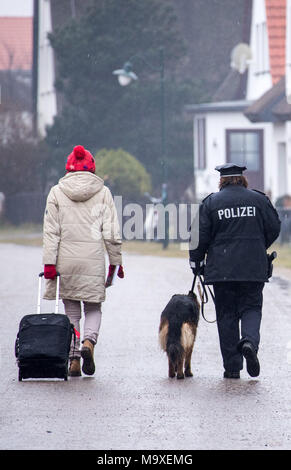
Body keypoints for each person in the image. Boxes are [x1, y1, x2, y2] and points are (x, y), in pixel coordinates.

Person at [189, 163, 281, 379]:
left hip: (222, 271)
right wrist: (259, 245)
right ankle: (249, 341)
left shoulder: (211, 203)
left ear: (222, 180)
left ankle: (232, 367)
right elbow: (274, 227)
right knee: (251, 308)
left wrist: (196, 261)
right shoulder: (259, 200)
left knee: (227, 315)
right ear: (243, 179)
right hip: (253, 268)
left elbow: (198, 236)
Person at [42, 145, 123, 377]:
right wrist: (115, 263)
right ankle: (89, 342)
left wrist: (49, 263)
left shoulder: (56, 192)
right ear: (92, 168)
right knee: (94, 306)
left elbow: (51, 232)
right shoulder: (103, 192)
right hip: (93, 261)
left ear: (69, 168)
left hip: (66, 261)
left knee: (71, 311)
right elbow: (112, 232)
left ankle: (74, 357)